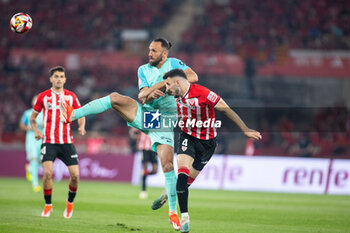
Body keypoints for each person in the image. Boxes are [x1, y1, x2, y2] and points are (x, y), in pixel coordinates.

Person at [60, 38, 198, 230]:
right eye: (149, 50)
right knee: (116, 98)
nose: (149, 53)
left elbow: (193, 76)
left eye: (154, 51)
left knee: (167, 164)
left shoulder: (174, 64)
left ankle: (173, 214)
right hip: (147, 114)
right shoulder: (143, 69)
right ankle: (72, 114)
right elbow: (142, 95)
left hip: (164, 120)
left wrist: (160, 87)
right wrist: (149, 94)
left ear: (164, 54)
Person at [163, 69, 262, 233]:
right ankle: (185, 217)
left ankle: (170, 192)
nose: (166, 89)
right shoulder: (173, 95)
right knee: (182, 173)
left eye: (168, 84)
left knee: (186, 182)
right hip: (187, 136)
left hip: (208, 144)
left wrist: (244, 129)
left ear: (178, 82)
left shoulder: (204, 93)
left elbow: (226, 109)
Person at [30, 66, 86, 218]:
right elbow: (32, 118)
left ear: (65, 79)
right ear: (51, 79)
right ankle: (48, 205)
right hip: (48, 142)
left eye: (62, 76)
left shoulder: (71, 96)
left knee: (75, 176)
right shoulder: (43, 97)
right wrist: (36, 131)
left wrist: (81, 126)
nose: (59, 79)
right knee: (47, 174)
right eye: (56, 76)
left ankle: (69, 204)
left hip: (67, 142)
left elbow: (81, 113)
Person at [19, 95, 44, 192]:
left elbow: (48, 124)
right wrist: (28, 128)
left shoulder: (45, 113)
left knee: (41, 160)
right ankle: (35, 184)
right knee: (33, 159)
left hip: (42, 137)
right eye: (35, 100)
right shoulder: (28, 113)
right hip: (31, 138)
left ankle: (29, 168)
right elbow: (22, 125)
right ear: (32, 102)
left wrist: (44, 125)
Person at [130, 128, 159, 199]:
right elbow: (132, 132)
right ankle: (143, 190)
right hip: (143, 148)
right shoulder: (142, 122)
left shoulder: (157, 122)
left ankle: (143, 175)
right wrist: (135, 135)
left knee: (155, 170)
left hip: (153, 149)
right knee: (145, 168)